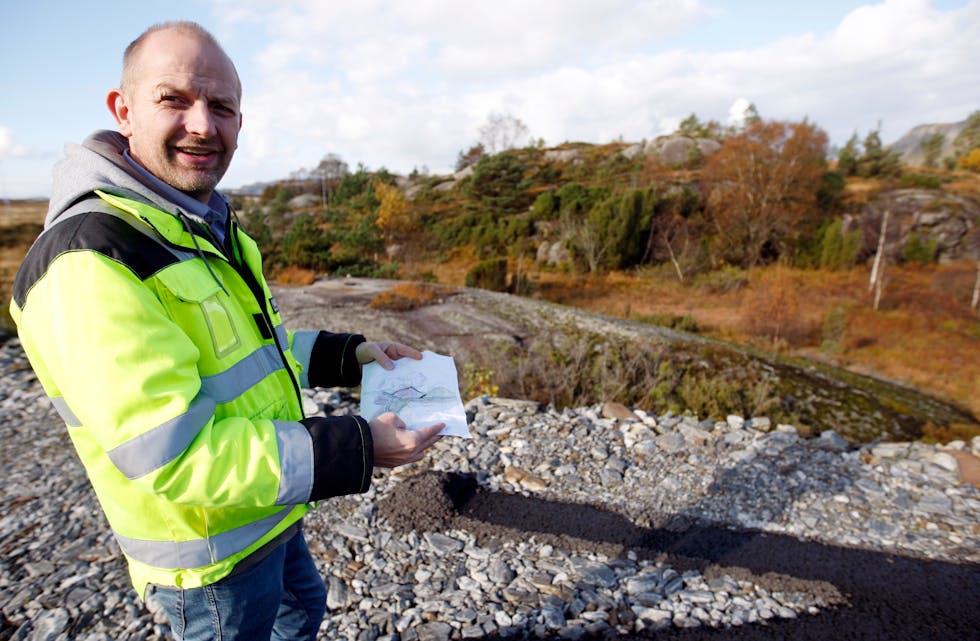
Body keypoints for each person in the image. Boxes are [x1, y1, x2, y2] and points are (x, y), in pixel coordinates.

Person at [9, 20, 444, 641]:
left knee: (303, 613)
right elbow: (175, 456)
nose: (202, 125)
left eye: (222, 107)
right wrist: (359, 446)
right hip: (210, 553)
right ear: (122, 110)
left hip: (269, 508)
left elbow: (251, 350)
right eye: (175, 99)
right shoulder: (90, 260)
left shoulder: (201, 223)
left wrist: (352, 357)